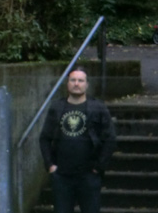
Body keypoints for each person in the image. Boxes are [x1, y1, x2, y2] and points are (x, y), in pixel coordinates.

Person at [39, 65, 116, 213]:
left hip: (88, 176)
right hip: (62, 176)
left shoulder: (98, 108)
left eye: (80, 80)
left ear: (86, 85)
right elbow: (45, 138)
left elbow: (110, 139)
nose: (76, 83)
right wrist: (50, 165)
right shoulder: (57, 107)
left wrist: (99, 167)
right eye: (73, 80)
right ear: (67, 83)